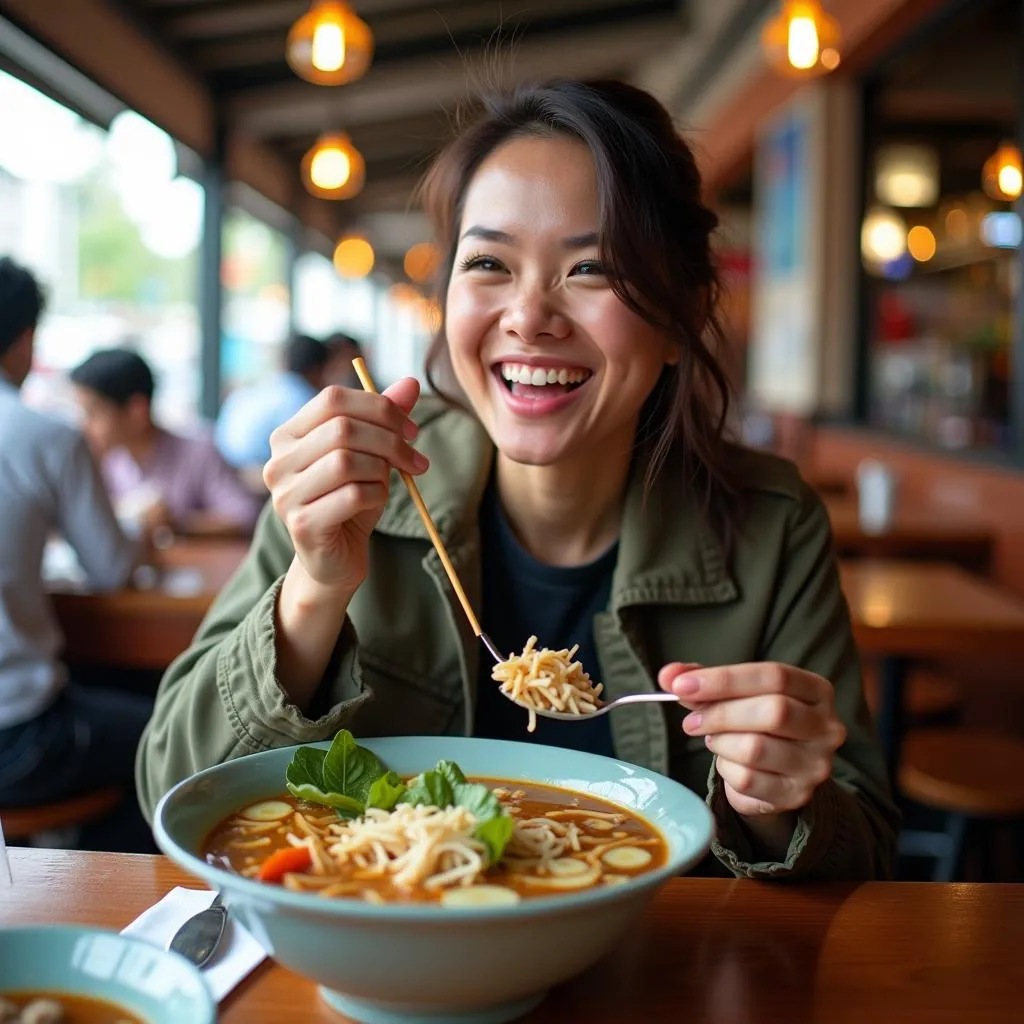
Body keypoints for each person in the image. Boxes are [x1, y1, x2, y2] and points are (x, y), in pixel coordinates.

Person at [136, 80, 899, 880]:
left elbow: (867, 853)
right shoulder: (357, 480)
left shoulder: (771, 524)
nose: (531, 316)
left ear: (680, 314)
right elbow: (170, 788)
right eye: (490, 262)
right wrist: (315, 588)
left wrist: (779, 805)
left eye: (593, 267)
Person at [0, 257, 153, 852]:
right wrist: (139, 530)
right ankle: (91, 877)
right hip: (19, 737)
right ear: (26, 339)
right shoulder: (47, 435)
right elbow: (111, 567)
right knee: (174, 737)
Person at [70, 348, 261, 537]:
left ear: (136, 410)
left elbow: (244, 517)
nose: (84, 426)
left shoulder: (198, 451)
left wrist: (177, 523)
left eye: (93, 414)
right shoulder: (108, 460)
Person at [214, 332, 363, 479]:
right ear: (318, 369)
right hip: (257, 481)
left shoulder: (258, 388)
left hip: (222, 468)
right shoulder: (302, 401)